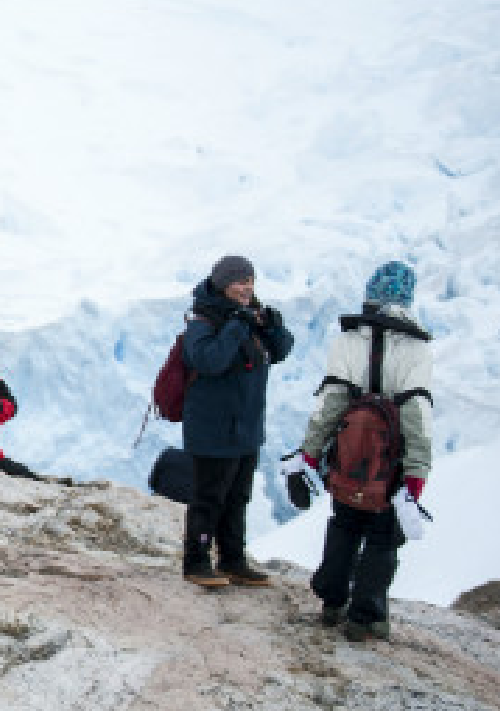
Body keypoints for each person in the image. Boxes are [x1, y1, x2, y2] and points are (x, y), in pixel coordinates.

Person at [282, 260, 433, 641]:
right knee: (383, 536)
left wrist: (310, 453)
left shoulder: (348, 340)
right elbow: (416, 414)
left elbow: (330, 405)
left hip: (348, 458)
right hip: (391, 463)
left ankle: (332, 602)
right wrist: (415, 474)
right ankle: (366, 617)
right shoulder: (414, 349)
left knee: (345, 524)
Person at [179, 255, 294, 588]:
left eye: (251, 281)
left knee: (238, 498)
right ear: (222, 284)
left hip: (245, 427)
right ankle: (196, 562)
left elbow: (282, 350)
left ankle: (233, 560)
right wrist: (236, 325)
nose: (247, 288)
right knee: (209, 498)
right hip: (213, 429)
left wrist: (272, 324)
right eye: (240, 281)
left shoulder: (250, 317)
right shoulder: (204, 320)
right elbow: (209, 360)